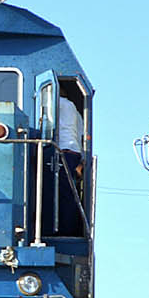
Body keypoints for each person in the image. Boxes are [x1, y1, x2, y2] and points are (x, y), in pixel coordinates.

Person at [56, 93, 85, 235]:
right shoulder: (74, 110)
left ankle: (62, 229)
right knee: (69, 193)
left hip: (63, 151)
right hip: (74, 153)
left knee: (61, 193)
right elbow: (80, 134)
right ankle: (69, 229)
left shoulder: (55, 102)